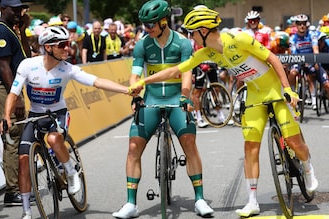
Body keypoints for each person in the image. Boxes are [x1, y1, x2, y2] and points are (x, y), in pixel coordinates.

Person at [130, 6, 318, 217]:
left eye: (192, 32)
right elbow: (177, 70)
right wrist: (143, 81)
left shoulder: (238, 39)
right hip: (254, 94)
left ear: (203, 30)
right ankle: (252, 201)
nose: (191, 37)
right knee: (250, 147)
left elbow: (272, 59)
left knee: (294, 142)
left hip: (274, 89)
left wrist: (287, 89)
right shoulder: (206, 52)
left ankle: (308, 167)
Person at [1, 26, 140, 219]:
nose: (68, 49)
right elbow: (13, 94)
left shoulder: (68, 69)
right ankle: (26, 211)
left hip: (57, 114)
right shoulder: (27, 65)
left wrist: (126, 90)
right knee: (23, 159)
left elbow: (97, 81)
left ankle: (71, 171)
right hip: (35, 115)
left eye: (69, 44)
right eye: (63, 45)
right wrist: (6, 117)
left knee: (53, 139)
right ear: (48, 48)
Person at [113, 1, 214, 218]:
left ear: (163, 21)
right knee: (133, 147)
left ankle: (199, 199)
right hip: (151, 98)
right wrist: (135, 92)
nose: (146, 29)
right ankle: (131, 203)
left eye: (150, 25)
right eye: (144, 25)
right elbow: (136, 73)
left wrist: (185, 97)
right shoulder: (142, 44)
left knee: (189, 143)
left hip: (177, 98)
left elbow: (187, 73)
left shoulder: (182, 43)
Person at [0, 0, 31, 207]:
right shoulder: (1, 33)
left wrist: (23, 30)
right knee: (13, 140)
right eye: (14, 9)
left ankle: (18, 188)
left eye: (20, 9)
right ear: (3, 9)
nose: (19, 12)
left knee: (18, 137)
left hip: (12, 89)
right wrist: (14, 96)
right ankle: (12, 191)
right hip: (6, 89)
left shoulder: (11, 30)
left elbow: (28, 57)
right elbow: (4, 67)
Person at [288, 14, 329, 110]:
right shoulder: (293, 38)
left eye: (304, 23)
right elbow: (293, 53)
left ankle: (316, 98)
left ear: (307, 24)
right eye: (299, 24)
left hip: (311, 60)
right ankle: (293, 94)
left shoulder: (312, 35)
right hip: (298, 60)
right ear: (296, 25)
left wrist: (316, 61)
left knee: (327, 84)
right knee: (292, 73)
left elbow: (315, 49)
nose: (302, 26)